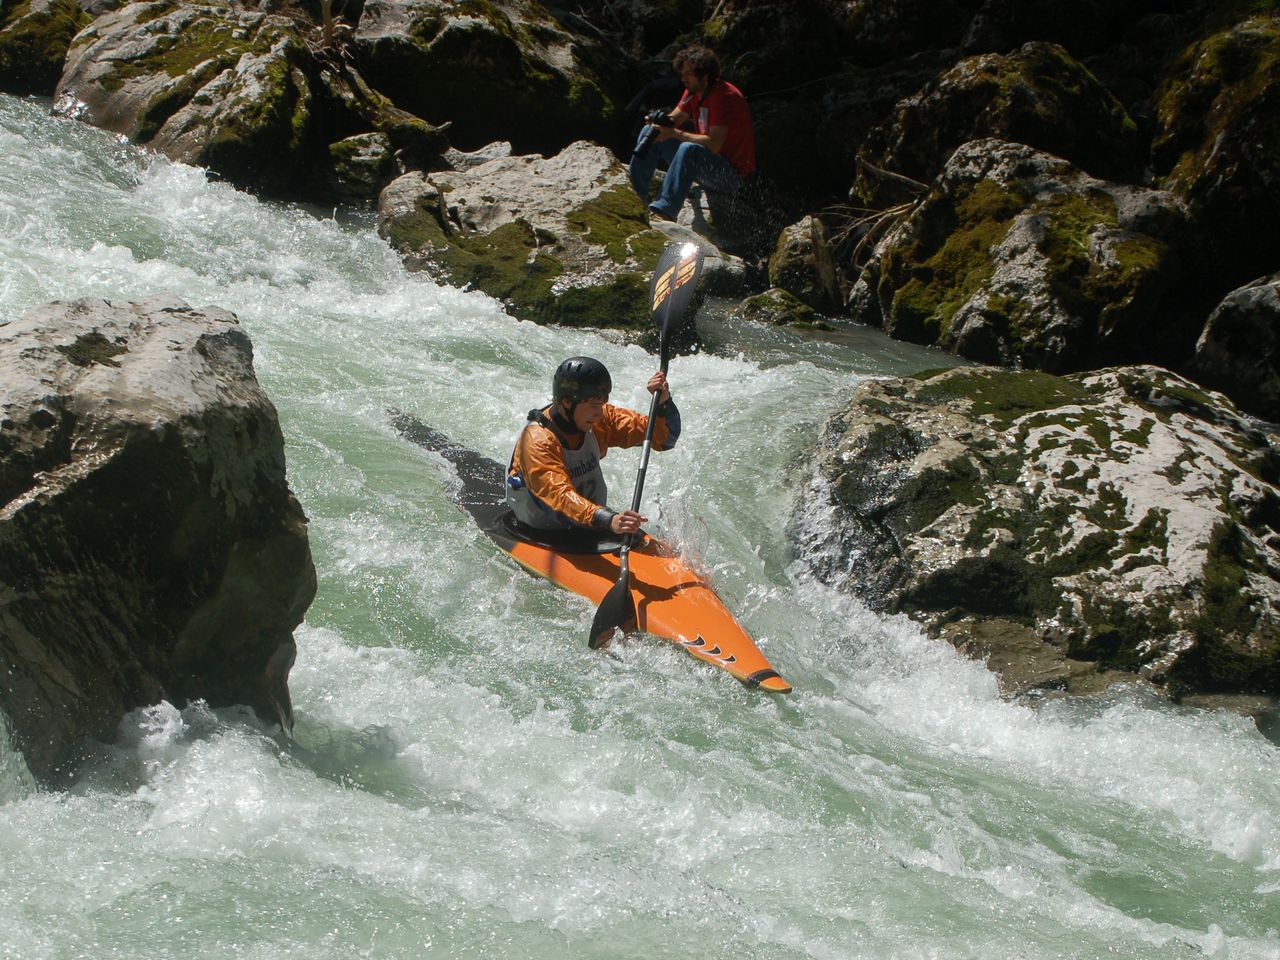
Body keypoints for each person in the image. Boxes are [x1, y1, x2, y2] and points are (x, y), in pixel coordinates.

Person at [506, 356, 680, 537]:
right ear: (567, 402)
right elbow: (558, 498)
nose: (599, 413)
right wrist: (608, 520)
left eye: (602, 404)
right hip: (542, 530)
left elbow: (664, 439)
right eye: (594, 406)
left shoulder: (600, 421)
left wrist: (663, 402)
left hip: (593, 523)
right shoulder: (538, 440)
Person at [627, 44, 756, 224]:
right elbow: (675, 118)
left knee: (689, 149)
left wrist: (673, 132)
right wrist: (660, 123)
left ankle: (665, 211)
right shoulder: (694, 92)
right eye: (682, 73)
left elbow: (713, 144)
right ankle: (634, 197)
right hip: (706, 162)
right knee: (650, 131)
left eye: (688, 74)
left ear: (704, 75)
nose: (682, 78)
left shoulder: (724, 97)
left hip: (729, 174)